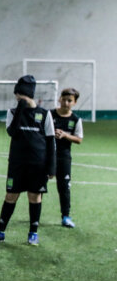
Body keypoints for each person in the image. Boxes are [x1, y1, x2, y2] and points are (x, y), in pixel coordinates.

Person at [0, 75, 55, 246]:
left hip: (38, 165)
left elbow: (50, 141)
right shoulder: (12, 113)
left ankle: (33, 233)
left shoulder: (45, 114)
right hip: (17, 164)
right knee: (11, 195)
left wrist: (51, 167)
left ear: (25, 94)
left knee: (35, 197)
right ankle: (0, 231)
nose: (17, 98)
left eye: (19, 95)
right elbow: (12, 132)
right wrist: (20, 109)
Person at [51, 87, 84, 228]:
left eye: (69, 100)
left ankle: (66, 216)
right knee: (37, 185)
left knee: (64, 187)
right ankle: (35, 216)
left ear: (74, 103)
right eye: (63, 99)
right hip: (46, 155)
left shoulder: (75, 120)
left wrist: (65, 135)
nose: (65, 103)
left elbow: (79, 139)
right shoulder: (49, 114)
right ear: (59, 99)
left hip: (64, 157)